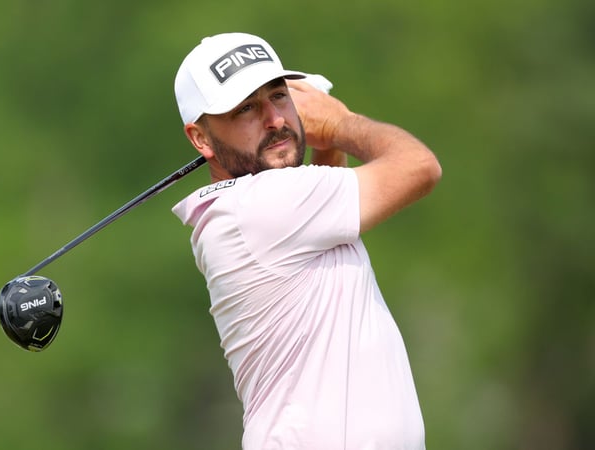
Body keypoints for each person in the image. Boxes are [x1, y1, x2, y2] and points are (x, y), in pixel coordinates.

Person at [171, 32, 442, 450]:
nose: (275, 120)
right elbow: (420, 167)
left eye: (278, 96)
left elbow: (327, 208)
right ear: (201, 138)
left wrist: (326, 142)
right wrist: (337, 122)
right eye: (246, 108)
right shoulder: (261, 205)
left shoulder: (264, 209)